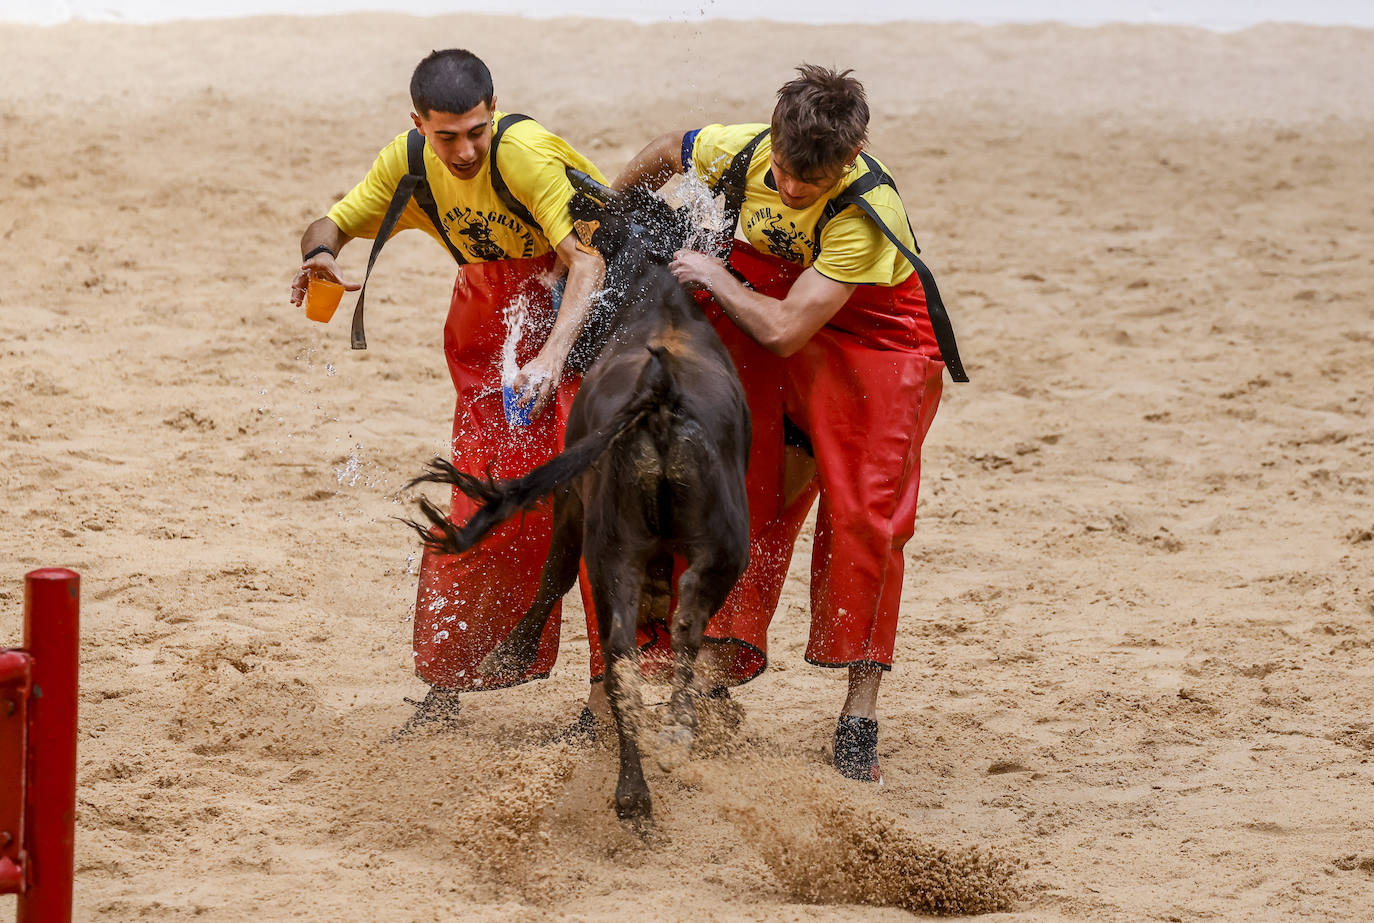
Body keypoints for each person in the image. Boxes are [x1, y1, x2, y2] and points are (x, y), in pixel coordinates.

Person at [608, 64, 967, 782]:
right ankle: (707, 668)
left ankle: (858, 712)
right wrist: (611, 213)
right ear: (771, 137)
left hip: (874, 346)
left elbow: (783, 331)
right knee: (735, 483)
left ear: (850, 160)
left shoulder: (868, 212)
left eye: (815, 180)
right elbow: (662, 150)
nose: (794, 188)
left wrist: (716, 278)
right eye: (785, 171)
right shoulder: (739, 148)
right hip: (768, 304)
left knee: (866, 517)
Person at [289, 49, 607, 733]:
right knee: (479, 503)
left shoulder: (521, 155)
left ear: (494, 113)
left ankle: (609, 700)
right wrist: (319, 257)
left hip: (593, 314)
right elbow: (332, 222)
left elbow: (587, 263)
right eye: (447, 136)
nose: (464, 150)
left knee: (603, 508)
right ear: (419, 125)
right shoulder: (405, 162)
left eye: (476, 131)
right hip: (492, 321)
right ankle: (445, 688)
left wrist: (551, 359)